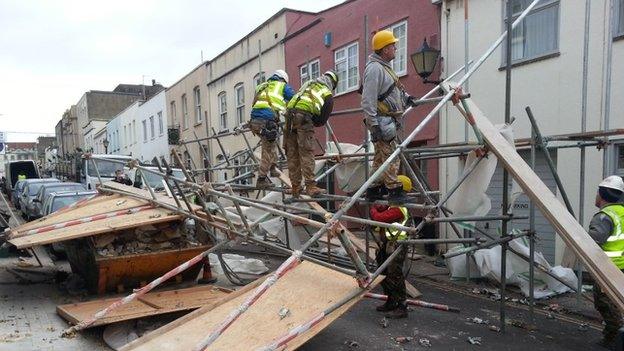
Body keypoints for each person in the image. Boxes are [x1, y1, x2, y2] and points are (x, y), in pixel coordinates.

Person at [361, 30, 417, 204]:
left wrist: (407, 98)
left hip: (387, 120)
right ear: (385, 49)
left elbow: (395, 89)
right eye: (392, 45)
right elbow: (368, 99)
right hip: (382, 121)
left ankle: (373, 188)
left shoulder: (385, 68)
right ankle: (394, 190)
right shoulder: (374, 69)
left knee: (379, 158)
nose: (395, 48)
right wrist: (373, 124)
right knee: (392, 157)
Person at [284, 70, 338, 197]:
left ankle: (295, 187)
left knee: (293, 153)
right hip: (303, 117)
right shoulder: (327, 93)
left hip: (289, 116)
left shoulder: (308, 84)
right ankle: (310, 186)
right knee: (306, 153)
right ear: (332, 84)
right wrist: (312, 120)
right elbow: (321, 120)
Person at [588, 175, 624, 349]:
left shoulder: (604, 217)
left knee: (605, 304)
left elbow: (594, 240)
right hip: (622, 267)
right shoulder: (622, 213)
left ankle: (613, 338)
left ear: (601, 195)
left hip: (608, 268)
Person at [369, 175, 412, 319]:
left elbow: (379, 218)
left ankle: (402, 306)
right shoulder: (392, 205)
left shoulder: (400, 208)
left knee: (395, 275)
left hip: (396, 245)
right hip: (387, 244)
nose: (389, 192)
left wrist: (373, 207)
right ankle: (391, 300)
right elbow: (380, 212)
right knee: (384, 273)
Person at [249, 69, 295, 189]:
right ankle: (261, 179)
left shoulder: (262, 86)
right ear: (283, 79)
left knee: (272, 142)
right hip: (266, 120)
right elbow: (294, 99)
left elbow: (255, 103)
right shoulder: (282, 86)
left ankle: (273, 168)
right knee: (267, 150)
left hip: (254, 121)